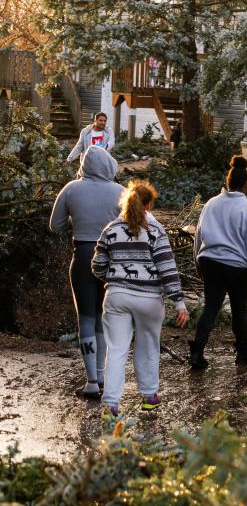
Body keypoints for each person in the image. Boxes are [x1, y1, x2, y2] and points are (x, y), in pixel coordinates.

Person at [92, 181, 188, 415]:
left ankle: (111, 404)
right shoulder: (156, 231)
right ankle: (148, 396)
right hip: (149, 299)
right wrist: (179, 302)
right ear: (149, 204)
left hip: (117, 297)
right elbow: (167, 269)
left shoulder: (110, 230)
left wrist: (114, 277)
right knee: (147, 347)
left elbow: (97, 266)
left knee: (116, 350)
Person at [49, 146, 125, 397]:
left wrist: (78, 219)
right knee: (105, 317)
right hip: (112, 259)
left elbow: (55, 225)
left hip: (82, 256)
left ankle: (91, 381)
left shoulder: (71, 189)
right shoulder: (120, 192)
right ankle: (103, 376)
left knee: (86, 318)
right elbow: (132, 225)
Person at [189, 155, 247, 369]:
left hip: (211, 262)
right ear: (246, 184)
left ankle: (197, 351)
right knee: (239, 310)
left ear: (228, 181)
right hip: (237, 268)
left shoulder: (211, 204)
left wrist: (198, 262)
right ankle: (243, 352)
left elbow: (199, 235)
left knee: (211, 307)